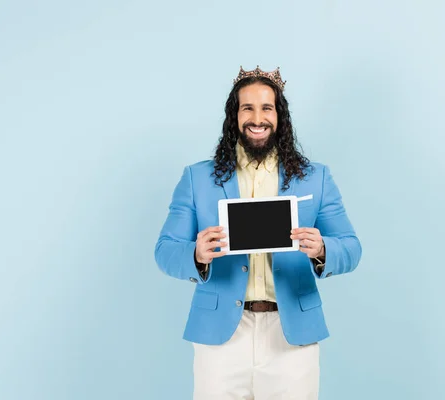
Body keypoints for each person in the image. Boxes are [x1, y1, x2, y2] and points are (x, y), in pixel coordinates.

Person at [154, 65, 362, 399]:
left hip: (291, 331)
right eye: (247, 108)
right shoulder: (197, 178)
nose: (257, 118)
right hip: (221, 335)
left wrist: (323, 248)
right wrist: (195, 254)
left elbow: (351, 247)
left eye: (267, 108)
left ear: (279, 115)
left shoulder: (316, 178)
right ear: (233, 116)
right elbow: (165, 250)